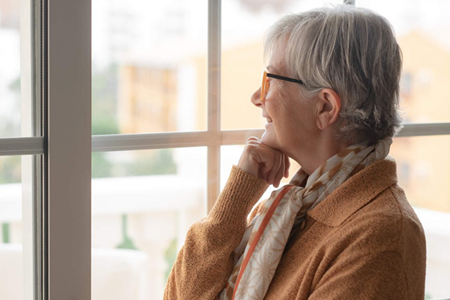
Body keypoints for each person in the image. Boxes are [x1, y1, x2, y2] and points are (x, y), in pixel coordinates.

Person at [164, 4, 426, 300]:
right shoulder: (296, 207)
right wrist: (236, 200)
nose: (256, 98)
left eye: (270, 80)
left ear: (325, 106)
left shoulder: (378, 236)